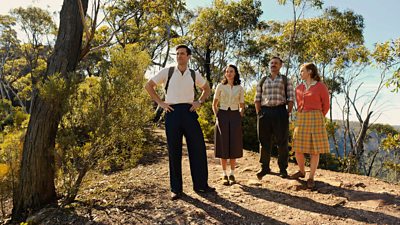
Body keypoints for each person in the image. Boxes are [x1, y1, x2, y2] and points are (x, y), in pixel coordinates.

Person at [144, 44, 215, 200]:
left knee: (198, 149)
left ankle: (201, 185)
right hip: (172, 113)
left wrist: (199, 102)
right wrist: (161, 103)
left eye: (182, 53)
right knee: (174, 152)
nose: (179, 56)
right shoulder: (167, 71)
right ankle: (176, 189)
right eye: (177, 54)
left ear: (189, 56)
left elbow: (207, 88)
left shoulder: (193, 74)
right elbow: (148, 86)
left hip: (190, 113)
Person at [290, 63, 330, 189]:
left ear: (310, 71)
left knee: (315, 150)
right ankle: (301, 171)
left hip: (316, 118)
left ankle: (311, 177)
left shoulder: (320, 87)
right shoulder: (299, 88)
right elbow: (299, 104)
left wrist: (318, 116)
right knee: (297, 147)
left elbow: (326, 105)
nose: (300, 73)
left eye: (302, 71)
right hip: (301, 117)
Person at [254, 56, 294, 179]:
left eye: (276, 63)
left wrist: (287, 112)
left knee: (282, 142)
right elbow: (257, 98)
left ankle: (283, 169)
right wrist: (259, 113)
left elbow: (291, 98)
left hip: (280, 112)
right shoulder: (263, 80)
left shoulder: (285, 80)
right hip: (264, 112)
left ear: (280, 65)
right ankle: (264, 167)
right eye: (271, 63)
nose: (273, 65)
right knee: (264, 141)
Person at [212, 64, 245, 186]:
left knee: (234, 144)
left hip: (235, 116)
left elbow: (242, 105)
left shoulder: (240, 88)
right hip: (223, 115)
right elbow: (214, 104)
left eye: (231, 71)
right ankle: (224, 174)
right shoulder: (220, 86)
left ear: (235, 73)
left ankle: (232, 174)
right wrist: (218, 116)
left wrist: (240, 115)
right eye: (227, 71)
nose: (229, 73)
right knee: (223, 144)